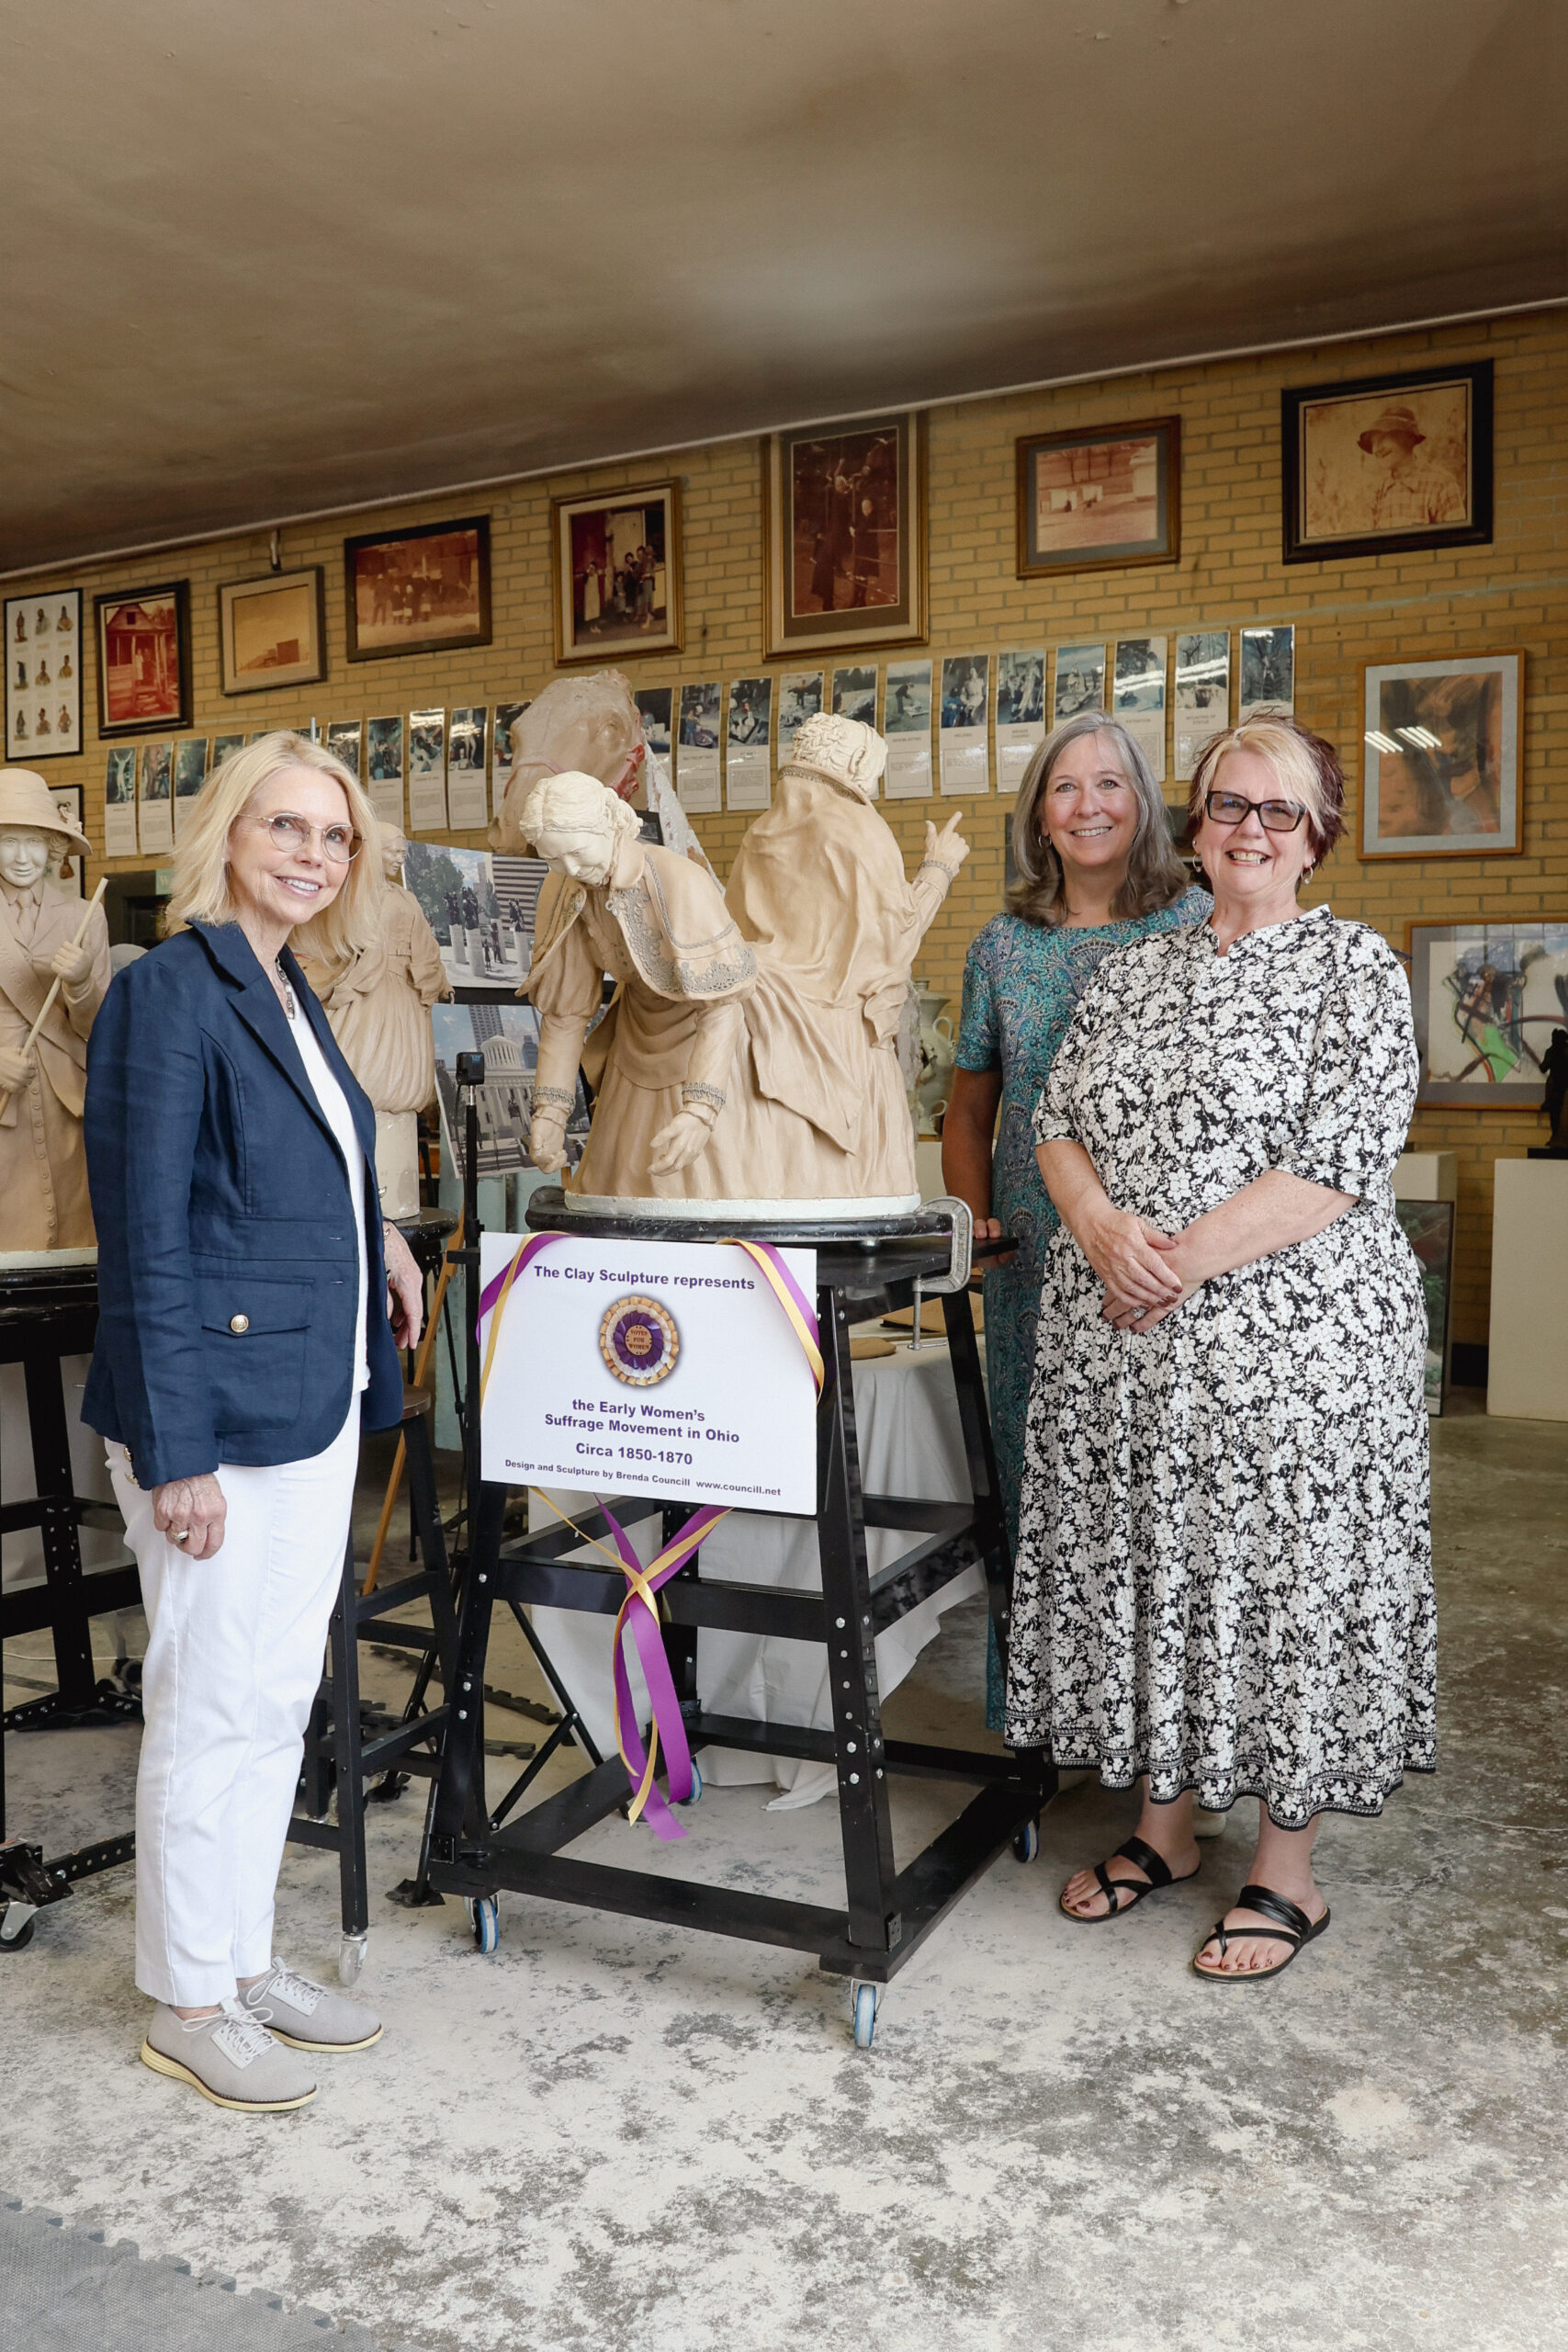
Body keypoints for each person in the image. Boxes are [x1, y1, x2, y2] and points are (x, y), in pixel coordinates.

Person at [1010, 715, 1433, 1979]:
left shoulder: (1351, 970)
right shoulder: (1124, 976)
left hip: (1293, 1364)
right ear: (1190, 826)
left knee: (1278, 1590)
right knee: (1155, 1577)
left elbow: (1336, 1167)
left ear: (1315, 838)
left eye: (1277, 811)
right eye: (1224, 805)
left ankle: (1283, 1872)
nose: (1247, 829)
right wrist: (1092, 1226)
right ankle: (1162, 1830)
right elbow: (1052, 1124)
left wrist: (1169, 1264)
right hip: (1128, 1358)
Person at [83, 731, 425, 2109]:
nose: (310, 854)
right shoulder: (170, 992)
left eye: (333, 838)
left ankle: (241, 1958)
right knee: (208, 1704)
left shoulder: (286, 989)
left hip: (310, 1398)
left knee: (274, 1703)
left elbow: (303, 1169)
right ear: (228, 834)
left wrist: (382, 1235)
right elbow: (147, 1235)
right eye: (285, 826)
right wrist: (175, 1456)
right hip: (214, 1420)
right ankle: (185, 1997)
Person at [943, 715, 1209, 1727]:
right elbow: (970, 1107)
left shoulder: (1193, 923)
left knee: (1154, 1493)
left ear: (1142, 804)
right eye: (1065, 787)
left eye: (1110, 784)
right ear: (1039, 817)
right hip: (1033, 1254)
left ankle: (1164, 1733)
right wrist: (976, 1223)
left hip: (1157, 1252)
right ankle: (1045, 1716)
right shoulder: (1004, 946)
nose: (1089, 804)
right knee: (1035, 1485)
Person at [0, 768, 110, 1249]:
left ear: (53, 847)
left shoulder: (83, 916)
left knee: (73, 1227)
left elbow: (97, 1028)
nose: (22, 857)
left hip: (70, 1098)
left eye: (34, 842)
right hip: (6, 1090)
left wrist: (83, 981)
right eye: (9, 841)